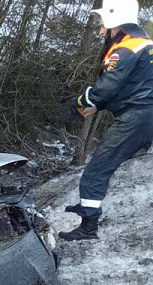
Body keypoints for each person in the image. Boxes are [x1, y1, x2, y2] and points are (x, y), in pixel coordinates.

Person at [60, 0, 153, 242]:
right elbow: (133, 85)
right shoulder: (146, 44)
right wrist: (99, 105)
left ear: (114, 19)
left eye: (102, 23)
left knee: (95, 171)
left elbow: (105, 89)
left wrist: (77, 102)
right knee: (104, 166)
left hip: (136, 118)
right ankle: (87, 207)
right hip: (144, 115)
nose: (101, 29)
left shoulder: (125, 49)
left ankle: (88, 228)